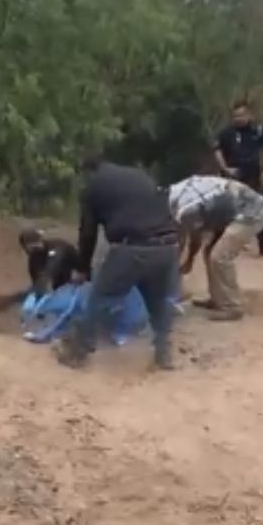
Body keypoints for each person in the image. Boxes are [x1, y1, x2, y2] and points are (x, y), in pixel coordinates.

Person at [55, 156, 179, 371]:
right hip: (167, 248)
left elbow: (88, 232)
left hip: (132, 249)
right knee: (158, 302)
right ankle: (163, 353)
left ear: (87, 172)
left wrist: (83, 267)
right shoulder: (140, 175)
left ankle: (77, 352)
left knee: (100, 298)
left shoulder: (94, 186)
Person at [170, 175, 263, 321]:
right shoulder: (178, 194)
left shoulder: (185, 207)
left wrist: (189, 260)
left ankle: (232, 306)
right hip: (231, 210)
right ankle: (218, 298)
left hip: (252, 212)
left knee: (220, 257)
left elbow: (192, 236)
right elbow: (184, 235)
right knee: (210, 252)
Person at [214, 100, 263, 259]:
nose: (239, 118)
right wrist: (225, 168)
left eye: (242, 115)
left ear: (250, 115)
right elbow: (217, 150)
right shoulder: (227, 132)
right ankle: (218, 246)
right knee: (227, 210)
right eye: (235, 115)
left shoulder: (258, 131)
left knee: (258, 209)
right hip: (232, 176)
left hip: (253, 174)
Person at [18, 228, 79, 298]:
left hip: (78, 276)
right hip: (60, 279)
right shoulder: (34, 257)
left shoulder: (57, 247)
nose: (29, 252)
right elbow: (35, 276)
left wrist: (45, 281)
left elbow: (53, 265)